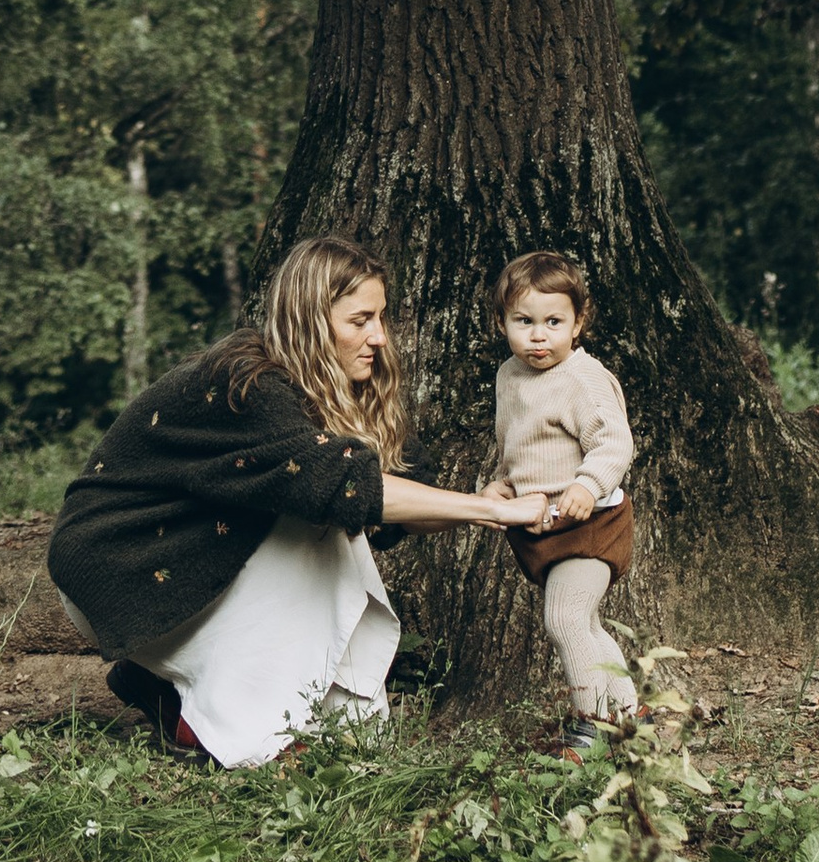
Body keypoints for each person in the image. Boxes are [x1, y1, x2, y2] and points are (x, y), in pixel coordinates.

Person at [46, 235, 541, 767]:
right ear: (310, 319)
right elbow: (348, 488)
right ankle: (225, 729)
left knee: (356, 736)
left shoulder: (338, 389)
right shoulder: (246, 382)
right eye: (359, 321)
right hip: (120, 565)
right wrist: (494, 512)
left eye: (380, 317)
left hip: (187, 560)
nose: (378, 336)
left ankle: (171, 694)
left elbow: (394, 493)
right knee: (320, 511)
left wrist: (474, 500)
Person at [489, 248, 638, 729]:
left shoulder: (581, 378)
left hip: (591, 523)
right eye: (524, 321)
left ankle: (590, 723)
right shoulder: (509, 376)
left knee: (565, 619)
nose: (538, 335)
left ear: (578, 323)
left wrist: (588, 485)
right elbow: (518, 444)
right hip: (544, 525)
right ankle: (633, 716)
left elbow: (614, 442)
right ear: (502, 323)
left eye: (554, 321)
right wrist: (502, 486)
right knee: (588, 625)